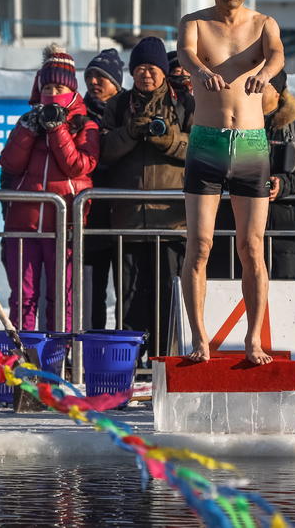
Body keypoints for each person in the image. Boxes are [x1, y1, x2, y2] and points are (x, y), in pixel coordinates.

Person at [176, 0, 284, 365]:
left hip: (251, 144)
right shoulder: (195, 23)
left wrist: (264, 73)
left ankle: (254, 339)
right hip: (207, 142)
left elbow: (277, 53)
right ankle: (200, 338)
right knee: (199, 244)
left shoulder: (263, 24)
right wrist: (200, 70)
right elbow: (186, 52)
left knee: (251, 246)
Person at [100, 36, 193, 355]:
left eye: (153, 68)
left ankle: (165, 360)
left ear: (164, 71)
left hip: (171, 223)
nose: (146, 74)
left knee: (169, 298)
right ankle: (129, 362)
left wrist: (168, 140)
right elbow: (102, 152)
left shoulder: (185, 104)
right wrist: (129, 133)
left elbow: (203, 148)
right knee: (128, 302)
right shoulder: (117, 106)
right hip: (127, 222)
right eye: (140, 68)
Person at [0, 46, 99, 333]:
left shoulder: (85, 125)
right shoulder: (27, 122)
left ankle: (60, 352)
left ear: (72, 90)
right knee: (23, 297)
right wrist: (28, 131)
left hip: (65, 225)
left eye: (59, 88)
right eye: (48, 87)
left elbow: (78, 166)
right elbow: (9, 164)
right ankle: (23, 351)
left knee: (62, 297)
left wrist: (57, 130)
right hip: (23, 224)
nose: (53, 93)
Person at [207, 70, 295, 281]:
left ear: (278, 92)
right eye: (249, 85)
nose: (253, 90)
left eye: (261, 85)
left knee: (282, 293)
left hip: (282, 231)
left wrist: (283, 185)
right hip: (235, 226)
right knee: (234, 291)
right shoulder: (229, 123)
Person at [81, 48, 124, 329]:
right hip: (90, 217)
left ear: (116, 83)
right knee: (91, 291)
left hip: (124, 216)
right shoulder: (77, 114)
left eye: (101, 77)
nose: (94, 82)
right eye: (90, 76)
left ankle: (129, 347)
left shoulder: (129, 111)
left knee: (127, 291)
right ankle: (89, 344)